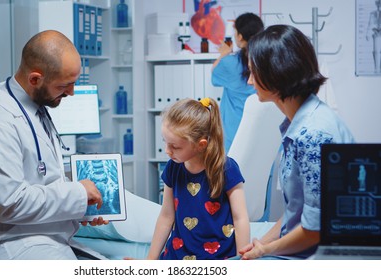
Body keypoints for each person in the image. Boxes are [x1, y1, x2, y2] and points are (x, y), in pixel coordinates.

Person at [0, 30, 107, 260]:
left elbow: (43, 179)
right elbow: (7, 204)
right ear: (35, 79)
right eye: (64, 86)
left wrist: (78, 208)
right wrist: (76, 194)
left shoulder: (34, 110)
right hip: (8, 244)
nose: (71, 92)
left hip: (40, 236)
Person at [240, 25, 355, 260]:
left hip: (318, 256)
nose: (250, 81)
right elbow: (300, 209)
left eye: (254, 72)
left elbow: (314, 230)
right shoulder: (300, 124)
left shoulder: (313, 135)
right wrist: (261, 244)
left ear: (276, 73)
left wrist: (266, 250)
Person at [147, 97, 250, 260]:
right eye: (165, 143)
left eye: (175, 146)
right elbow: (167, 216)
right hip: (177, 255)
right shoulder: (173, 167)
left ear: (201, 145)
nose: (167, 151)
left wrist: (242, 262)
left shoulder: (227, 168)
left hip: (218, 257)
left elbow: (241, 218)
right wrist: (149, 262)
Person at [211, 12, 264, 153]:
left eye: (235, 32)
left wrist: (224, 54)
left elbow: (214, 72)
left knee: (230, 171)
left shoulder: (230, 63)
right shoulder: (265, 61)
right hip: (259, 131)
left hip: (233, 133)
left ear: (240, 36)